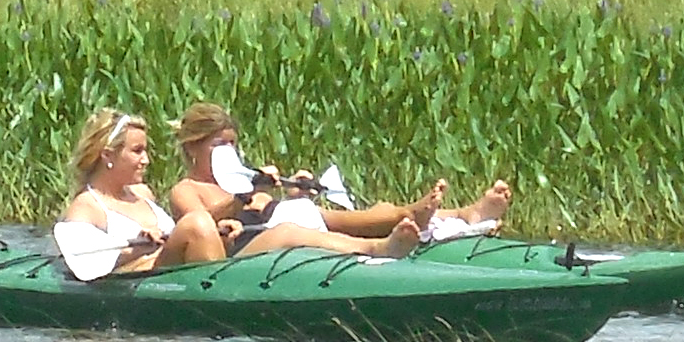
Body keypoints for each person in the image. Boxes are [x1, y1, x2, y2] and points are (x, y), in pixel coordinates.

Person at [163, 102, 509, 255]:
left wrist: (298, 191)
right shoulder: (186, 189)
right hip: (248, 244)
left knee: (373, 211)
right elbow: (201, 225)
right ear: (193, 147)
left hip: (286, 218)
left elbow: (274, 206)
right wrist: (243, 196)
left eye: (233, 144)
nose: (229, 152)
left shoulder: (241, 175)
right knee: (291, 230)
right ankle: (381, 246)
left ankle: (464, 214)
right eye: (219, 145)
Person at [58, 108, 227, 278]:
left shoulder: (143, 193)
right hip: (136, 281)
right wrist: (133, 250)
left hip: (171, 274)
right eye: (137, 151)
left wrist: (214, 231)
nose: (146, 160)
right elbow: (85, 266)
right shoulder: (86, 207)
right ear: (108, 156)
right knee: (197, 221)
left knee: (202, 223)